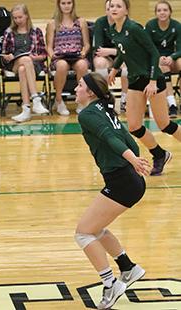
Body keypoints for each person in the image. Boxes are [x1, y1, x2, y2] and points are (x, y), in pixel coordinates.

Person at [75, 72, 150, 310]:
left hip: (122, 180)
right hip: (130, 180)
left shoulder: (87, 114)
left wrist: (132, 160)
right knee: (96, 228)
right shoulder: (105, 110)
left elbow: (110, 138)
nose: (75, 89)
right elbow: (128, 139)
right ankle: (128, 267)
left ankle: (110, 283)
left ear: (90, 92)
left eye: (79, 85)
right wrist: (134, 158)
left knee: (83, 233)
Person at [108, 0, 181, 176]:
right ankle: (160, 154)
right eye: (111, 6)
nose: (114, 9)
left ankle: (161, 153)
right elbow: (122, 51)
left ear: (126, 10)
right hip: (135, 80)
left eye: (119, 6)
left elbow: (154, 53)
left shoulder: (134, 28)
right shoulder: (113, 29)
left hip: (152, 78)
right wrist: (115, 68)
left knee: (164, 124)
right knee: (133, 126)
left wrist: (153, 81)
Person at [1, 3, 49, 123]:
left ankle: (26, 109)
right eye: (15, 18)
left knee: (24, 67)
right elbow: (3, 55)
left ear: (27, 16)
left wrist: (35, 57)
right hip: (14, 64)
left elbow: (44, 54)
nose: (17, 20)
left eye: (20, 17)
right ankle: (36, 98)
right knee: (25, 61)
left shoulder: (36, 31)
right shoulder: (9, 32)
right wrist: (8, 56)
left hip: (33, 65)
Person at [46, 0, 90, 115]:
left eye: (69, 3)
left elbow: (87, 44)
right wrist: (53, 56)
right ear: (59, 5)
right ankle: (59, 99)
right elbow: (49, 47)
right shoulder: (52, 23)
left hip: (76, 55)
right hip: (60, 57)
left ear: (73, 4)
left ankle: (82, 101)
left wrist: (83, 53)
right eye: (63, 3)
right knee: (62, 65)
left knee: (82, 65)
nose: (66, 6)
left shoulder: (81, 22)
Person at [145, 0, 181, 118]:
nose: (162, 13)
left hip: (172, 57)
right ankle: (172, 105)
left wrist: (172, 57)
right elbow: (147, 48)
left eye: (165, 10)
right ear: (156, 13)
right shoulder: (150, 25)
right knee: (163, 66)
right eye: (159, 10)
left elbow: (180, 49)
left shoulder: (177, 26)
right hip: (157, 59)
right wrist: (158, 57)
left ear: (170, 12)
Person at [93, 0, 128, 112]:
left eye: (117, 7)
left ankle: (125, 99)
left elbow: (128, 50)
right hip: (106, 57)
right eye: (109, 8)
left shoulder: (127, 24)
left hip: (120, 56)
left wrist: (111, 51)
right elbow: (98, 48)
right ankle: (104, 96)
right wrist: (113, 52)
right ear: (106, 11)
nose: (113, 10)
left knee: (127, 64)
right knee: (99, 62)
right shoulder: (100, 22)